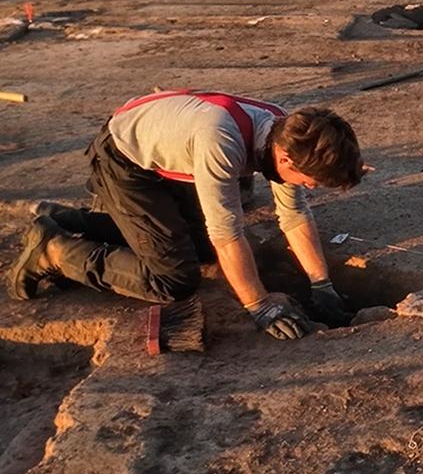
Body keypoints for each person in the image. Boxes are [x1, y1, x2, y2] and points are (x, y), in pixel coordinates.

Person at [7, 90, 365, 340]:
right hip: (123, 159)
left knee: (204, 250)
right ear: (285, 158)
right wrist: (260, 306)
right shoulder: (222, 142)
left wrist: (321, 283)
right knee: (173, 278)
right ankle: (54, 250)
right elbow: (227, 233)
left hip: (169, 157)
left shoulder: (283, 132)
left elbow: (293, 213)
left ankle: (71, 221)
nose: (311, 187)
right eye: (310, 180)